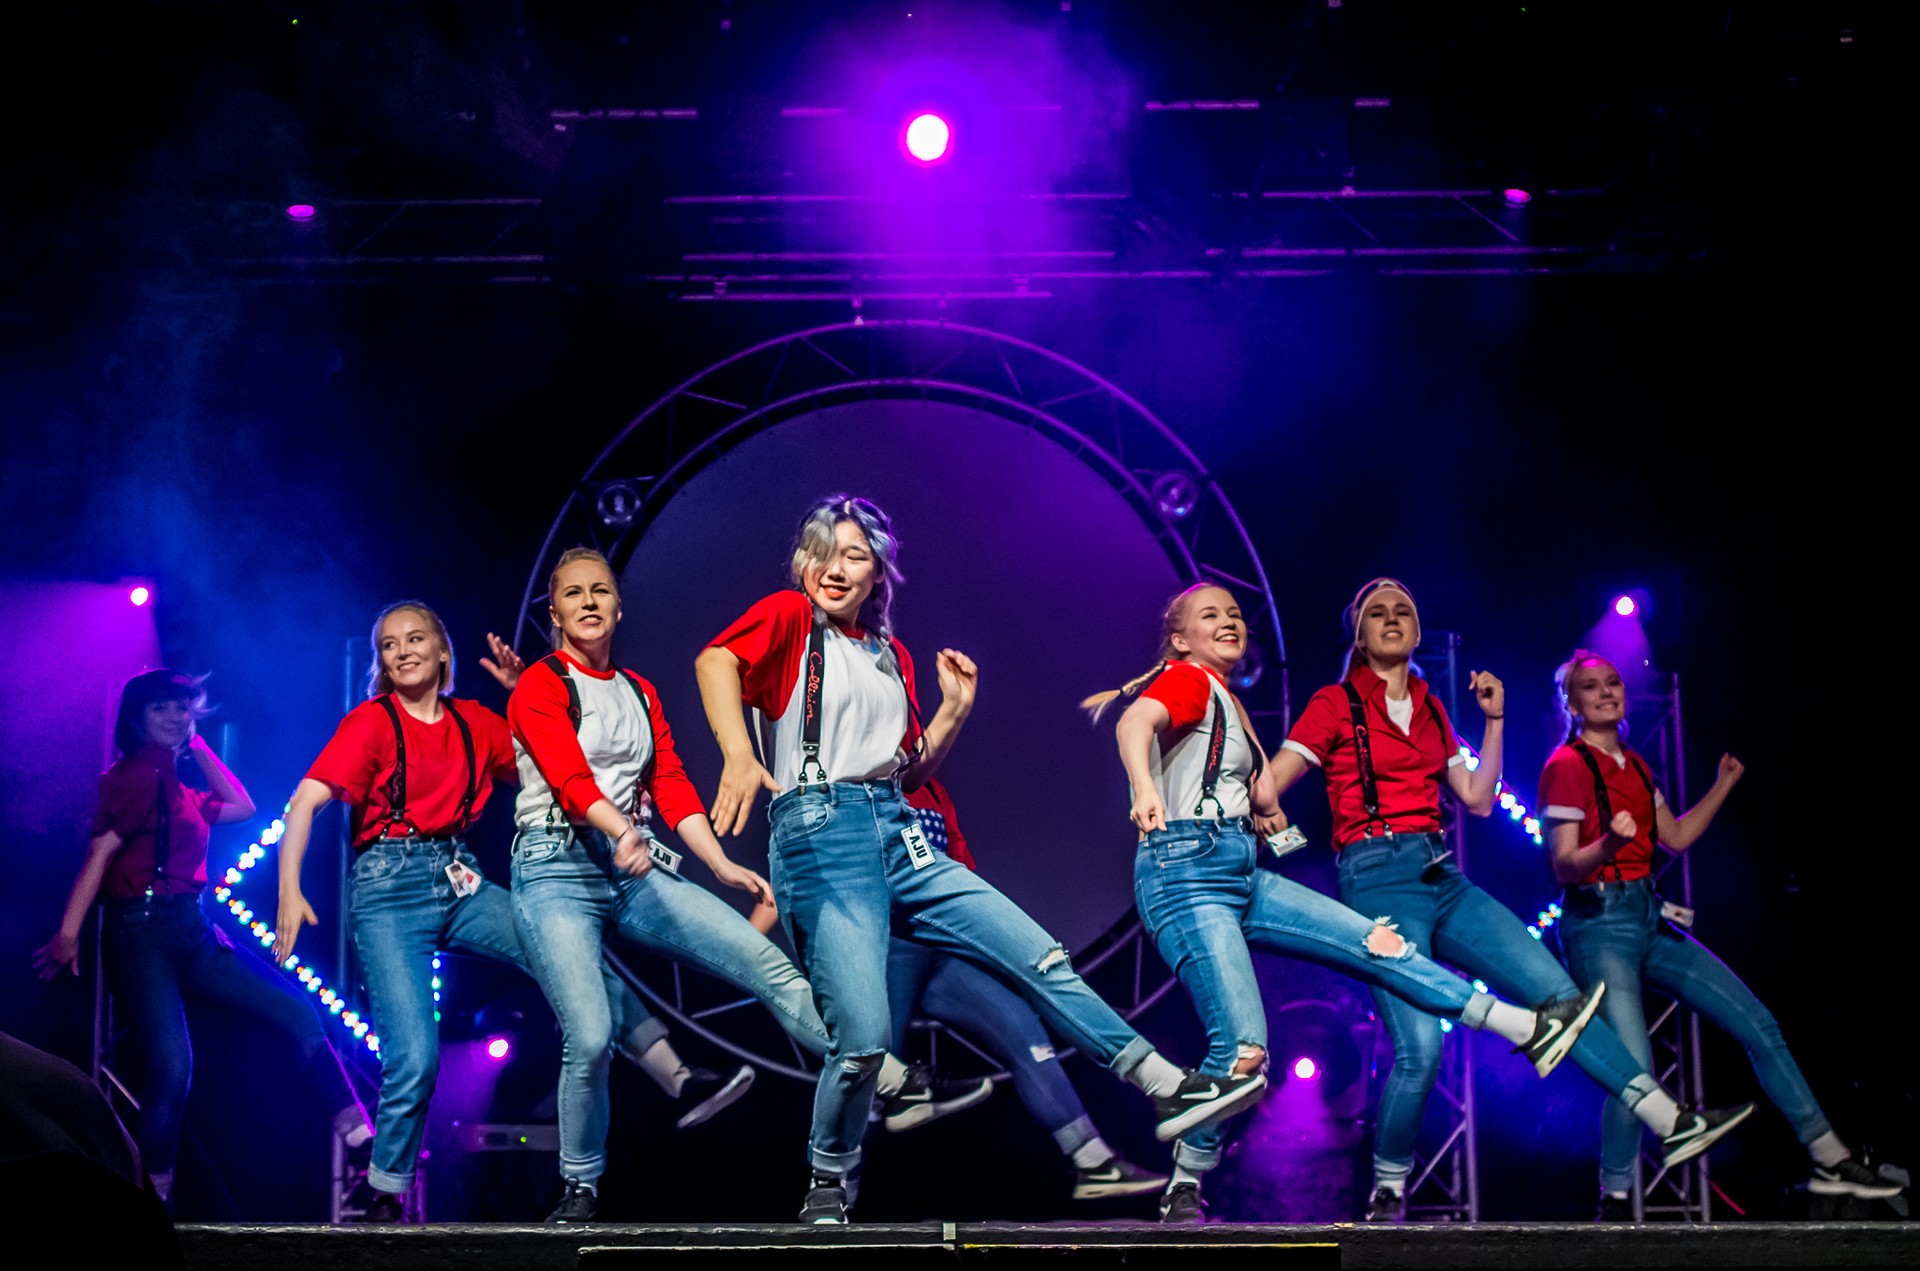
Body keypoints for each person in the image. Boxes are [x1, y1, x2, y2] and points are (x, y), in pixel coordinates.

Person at [696, 494, 1268, 1225]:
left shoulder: (891, 655)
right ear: (804, 563)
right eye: (822, 554)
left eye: (855, 556)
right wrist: (738, 754)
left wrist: (953, 711)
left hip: (899, 827)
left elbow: (906, 772)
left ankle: (1165, 1084)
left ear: (878, 573)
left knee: (1040, 956)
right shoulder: (789, 617)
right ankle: (829, 1177)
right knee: (864, 1043)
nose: (835, 569)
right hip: (821, 835)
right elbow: (716, 659)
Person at [1093, 582, 1605, 1223]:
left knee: (1378, 944)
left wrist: (1268, 809)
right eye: (1210, 615)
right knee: (1244, 1052)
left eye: (1235, 614)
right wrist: (1144, 788)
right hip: (1187, 875)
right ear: (1179, 638)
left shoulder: (1228, 701)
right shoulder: (1188, 680)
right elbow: (1134, 721)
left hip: (1238, 870)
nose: (1229, 621)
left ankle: (1524, 1027)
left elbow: (1263, 795)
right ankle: (1186, 1180)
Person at [509, 549, 978, 1225]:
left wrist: (720, 865)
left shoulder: (638, 690)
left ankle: (896, 1082)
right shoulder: (540, 685)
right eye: (574, 594)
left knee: (767, 964)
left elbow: (670, 781)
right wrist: (619, 829)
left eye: (600, 591)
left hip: (630, 867)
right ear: (554, 612)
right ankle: (580, 1186)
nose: (588, 602)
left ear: (618, 606)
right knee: (589, 1035)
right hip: (556, 866)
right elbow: (569, 777)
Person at [1265, 578, 1753, 1222]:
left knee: (1565, 1001)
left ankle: (1671, 1120)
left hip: (1441, 874)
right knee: (1422, 1050)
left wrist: (1494, 721)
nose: (1392, 619)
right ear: (1358, 634)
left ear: (1417, 629)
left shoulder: (1431, 708)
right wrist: (1270, 818)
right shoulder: (1335, 704)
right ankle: (1388, 1186)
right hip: (1376, 877)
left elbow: (1477, 798)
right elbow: (1271, 783)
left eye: (1404, 610)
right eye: (1377, 613)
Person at [274, 602, 751, 1223]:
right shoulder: (372, 722)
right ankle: (385, 1193)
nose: (403, 651)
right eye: (390, 645)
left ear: (442, 651)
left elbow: (558, 758)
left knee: (569, 954)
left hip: (459, 876)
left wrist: (528, 692)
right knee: (415, 1058)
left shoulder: (474, 722)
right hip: (388, 889)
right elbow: (306, 801)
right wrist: (289, 890)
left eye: (415, 639)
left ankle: (679, 1077)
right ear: (382, 662)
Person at [1543, 650, 1904, 1218]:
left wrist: (1723, 784)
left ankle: (1831, 1157)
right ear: (1571, 702)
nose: (1607, 692)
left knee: (1759, 1023)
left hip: (1648, 917)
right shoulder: (1565, 766)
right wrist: (1610, 843)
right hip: (1598, 926)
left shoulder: (1635, 766)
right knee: (1634, 1071)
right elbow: (1564, 865)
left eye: (1613, 682)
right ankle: (1613, 1200)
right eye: (1592, 686)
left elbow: (1675, 837)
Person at [34, 669, 361, 1210]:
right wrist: (69, 934)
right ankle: (150, 1203)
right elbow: (99, 854)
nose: (174, 716)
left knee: (300, 1012)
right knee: (173, 1072)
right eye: (161, 708)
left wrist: (198, 745)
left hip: (194, 929)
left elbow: (242, 806)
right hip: (143, 931)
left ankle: (360, 1133)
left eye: (183, 708)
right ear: (137, 717)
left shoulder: (179, 789)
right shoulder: (134, 777)